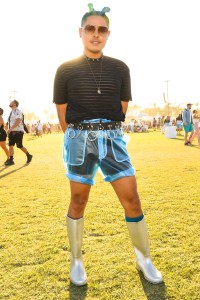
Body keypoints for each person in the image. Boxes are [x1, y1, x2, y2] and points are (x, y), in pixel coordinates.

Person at [53, 3, 163, 286]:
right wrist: (80, 136)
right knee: (78, 200)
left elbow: (122, 108)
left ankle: (144, 259)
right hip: (79, 138)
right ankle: (76, 261)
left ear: (108, 34)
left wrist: (104, 130)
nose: (95, 34)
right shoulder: (64, 69)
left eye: (101, 29)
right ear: (80, 32)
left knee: (132, 199)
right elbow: (63, 116)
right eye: (90, 28)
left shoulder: (120, 68)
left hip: (113, 138)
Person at [5, 100, 33, 165]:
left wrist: (10, 128)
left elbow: (18, 121)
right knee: (10, 145)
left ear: (14, 104)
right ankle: (11, 160)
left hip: (18, 131)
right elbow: (9, 121)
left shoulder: (17, 111)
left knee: (19, 145)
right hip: (12, 131)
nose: (10, 103)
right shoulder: (11, 112)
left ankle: (29, 155)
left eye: (11, 102)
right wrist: (7, 127)